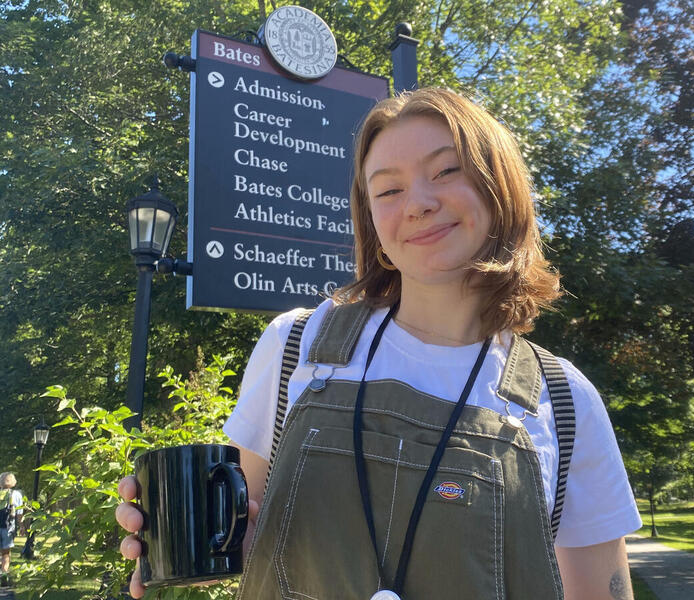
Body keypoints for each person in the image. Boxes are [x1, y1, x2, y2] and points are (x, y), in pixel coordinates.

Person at [117, 87, 642, 599]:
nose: (418, 203)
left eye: (446, 171)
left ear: (498, 189)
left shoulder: (567, 403)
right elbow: (242, 522)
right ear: (372, 222)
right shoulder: (296, 344)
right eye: (388, 190)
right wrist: (185, 542)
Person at [0, 472, 23, 587]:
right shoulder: (16, 494)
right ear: (13, 483)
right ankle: (4, 573)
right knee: (5, 553)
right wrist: (22, 526)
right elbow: (19, 514)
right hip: (8, 527)